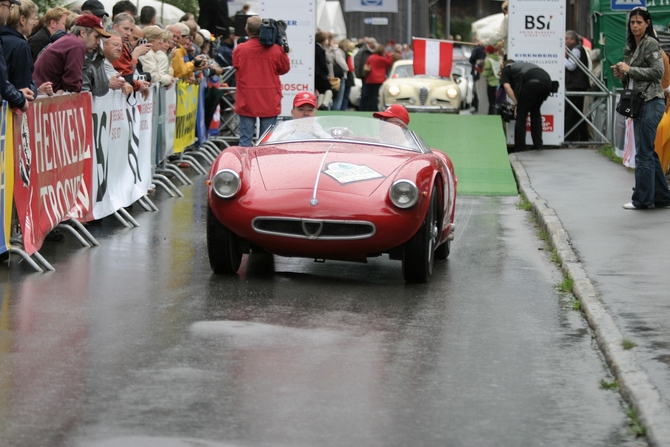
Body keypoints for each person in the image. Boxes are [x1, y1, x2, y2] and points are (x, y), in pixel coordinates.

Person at [611, 7, 670, 210]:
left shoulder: (651, 43)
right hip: (641, 102)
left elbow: (657, 71)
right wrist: (623, 75)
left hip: (652, 102)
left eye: (639, 22)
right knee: (648, 152)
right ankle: (662, 197)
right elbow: (636, 76)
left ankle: (643, 200)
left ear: (647, 23)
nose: (635, 26)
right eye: (632, 22)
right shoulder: (633, 46)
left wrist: (630, 69)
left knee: (643, 154)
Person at [233, 15, 290, 147]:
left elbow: (236, 66)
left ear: (246, 30)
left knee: (245, 140)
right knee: (266, 141)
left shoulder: (240, 49)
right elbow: (284, 69)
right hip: (269, 98)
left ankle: (244, 166)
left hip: (247, 98)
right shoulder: (276, 49)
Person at [34, 14, 111, 94]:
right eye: (96, 37)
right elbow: (72, 85)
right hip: (42, 95)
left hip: (40, 92)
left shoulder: (70, 41)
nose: (98, 42)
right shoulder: (77, 45)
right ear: (83, 32)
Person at [0, 0, 54, 99]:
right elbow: (23, 88)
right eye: (33, 18)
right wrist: (34, 90)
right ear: (22, 20)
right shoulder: (21, 45)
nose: (35, 23)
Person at [500, 60, 552, 151]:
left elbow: (507, 87)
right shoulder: (524, 66)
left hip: (531, 83)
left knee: (521, 116)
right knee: (535, 112)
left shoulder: (507, 69)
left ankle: (520, 148)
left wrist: (517, 103)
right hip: (547, 81)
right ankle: (538, 145)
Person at [565, 30, 590, 142]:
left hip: (575, 85)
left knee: (572, 113)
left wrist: (560, 59)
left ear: (573, 40)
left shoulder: (576, 49)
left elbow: (571, 66)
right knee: (577, 113)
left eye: (567, 38)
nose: (565, 41)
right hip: (578, 84)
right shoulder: (578, 48)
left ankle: (568, 138)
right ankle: (583, 138)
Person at [363, 44, 392, 112]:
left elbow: (367, 65)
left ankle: (368, 108)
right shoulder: (382, 59)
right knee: (376, 96)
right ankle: (375, 109)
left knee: (370, 95)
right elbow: (389, 62)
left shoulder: (371, 57)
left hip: (370, 79)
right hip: (379, 79)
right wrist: (387, 54)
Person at [354, 37, 376, 111]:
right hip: (365, 74)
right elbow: (358, 61)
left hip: (371, 74)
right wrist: (359, 73)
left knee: (370, 93)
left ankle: (369, 107)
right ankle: (363, 108)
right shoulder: (363, 51)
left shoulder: (368, 51)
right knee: (365, 93)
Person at [314, 30, 332, 109]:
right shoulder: (321, 50)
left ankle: (320, 105)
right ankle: (324, 105)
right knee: (329, 89)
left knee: (321, 90)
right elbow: (323, 64)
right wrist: (327, 73)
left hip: (314, 74)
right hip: (320, 73)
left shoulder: (312, 48)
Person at [482, 45, 502, 115]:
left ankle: (491, 115)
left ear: (487, 52)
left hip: (491, 83)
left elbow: (486, 73)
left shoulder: (489, 60)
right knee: (499, 101)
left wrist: (482, 73)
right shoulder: (500, 58)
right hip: (500, 83)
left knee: (492, 102)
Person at [469, 38, 486, 113]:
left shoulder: (477, 49)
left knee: (477, 90)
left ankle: (477, 107)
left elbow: (471, 60)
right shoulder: (485, 50)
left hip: (478, 73)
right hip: (484, 74)